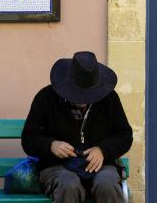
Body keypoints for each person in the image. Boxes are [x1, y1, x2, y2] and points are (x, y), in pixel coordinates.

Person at [21, 51, 133, 203]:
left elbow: (124, 135)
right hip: (57, 167)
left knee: (107, 184)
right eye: (77, 94)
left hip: (101, 166)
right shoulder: (46, 97)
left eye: (88, 95)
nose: (81, 100)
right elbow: (29, 139)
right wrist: (51, 145)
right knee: (69, 185)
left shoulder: (109, 98)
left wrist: (102, 150)